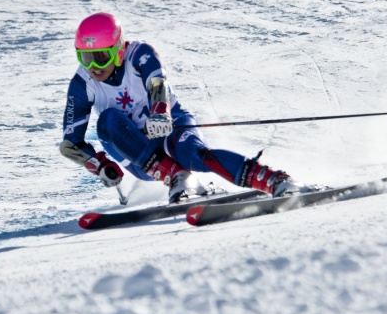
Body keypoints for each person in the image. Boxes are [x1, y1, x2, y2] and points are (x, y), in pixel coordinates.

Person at [59, 12, 308, 203]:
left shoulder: (140, 54)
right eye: (85, 57)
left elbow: (157, 81)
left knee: (195, 155)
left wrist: (159, 111)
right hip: (138, 154)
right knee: (108, 121)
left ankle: (275, 180)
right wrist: (100, 164)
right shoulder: (83, 83)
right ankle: (179, 178)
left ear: (118, 49)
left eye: (101, 57)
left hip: (169, 127)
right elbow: (71, 143)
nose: (94, 66)